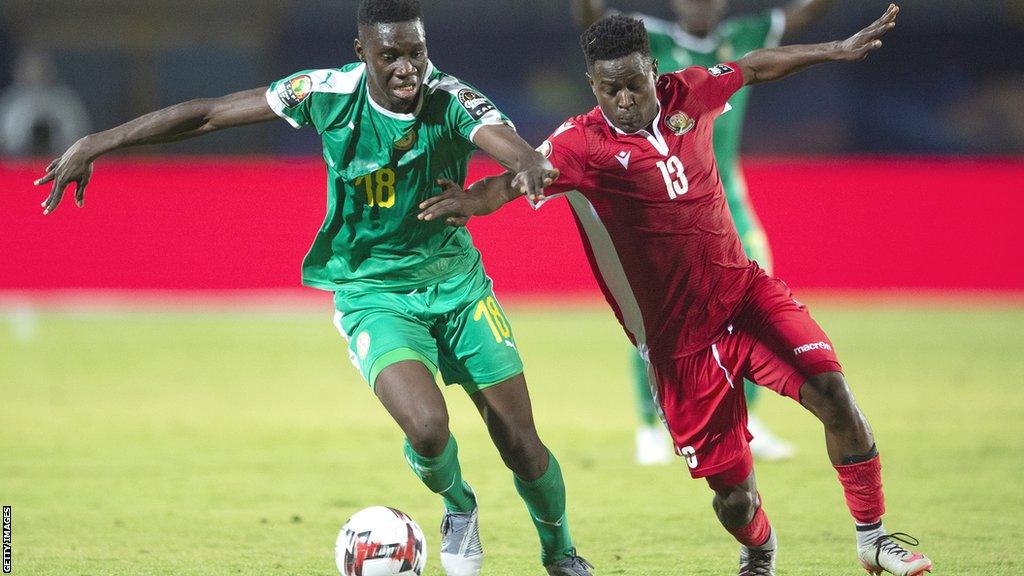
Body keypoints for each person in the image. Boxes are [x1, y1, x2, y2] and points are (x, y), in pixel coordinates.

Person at [32, 1, 593, 575]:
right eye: (391, 56)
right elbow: (207, 115)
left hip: (458, 289)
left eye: (417, 54)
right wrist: (97, 141)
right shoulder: (324, 92)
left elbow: (505, 140)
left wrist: (526, 163)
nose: (407, 69)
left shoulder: (450, 98)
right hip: (371, 295)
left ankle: (560, 554)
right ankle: (458, 506)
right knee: (426, 429)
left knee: (520, 442)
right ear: (361, 54)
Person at [418, 5, 933, 575]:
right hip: (679, 347)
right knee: (734, 498)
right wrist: (473, 201)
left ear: (653, 70)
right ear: (593, 85)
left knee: (834, 395)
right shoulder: (579, 145)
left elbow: (754, 67)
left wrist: (831, 51)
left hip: (747, 298)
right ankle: (759, 546)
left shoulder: (689, 92)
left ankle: (873, 537)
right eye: (610, 89)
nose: (626, 99)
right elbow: (517, 180)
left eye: (635, 83)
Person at [571, 0, 838, 465]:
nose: (702, 5)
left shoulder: (747, 34)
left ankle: (749, 419)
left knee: (755, 306)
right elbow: (592, 22)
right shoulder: (647, 38)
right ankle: (650, 426)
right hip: (659, 201)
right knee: (656, 312)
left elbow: (806, 16)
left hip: (726, 196)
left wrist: (839, 44)